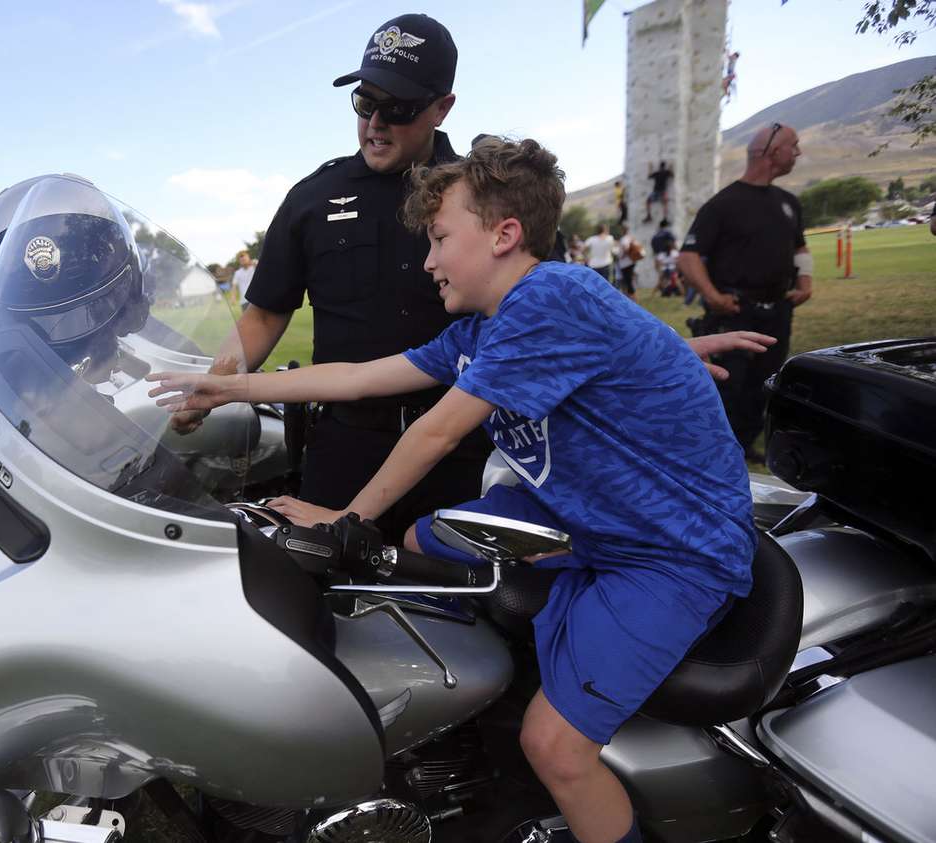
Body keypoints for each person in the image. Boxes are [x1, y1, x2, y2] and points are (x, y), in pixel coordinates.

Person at [149, 136, 764, 843]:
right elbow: (360, 376)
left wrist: (345, 519)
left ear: (505, 235)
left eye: (440, 238)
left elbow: (436, 433)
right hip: (581, 509)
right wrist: (229, 385)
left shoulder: (549, 297)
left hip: (669, 549)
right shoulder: (481, 328)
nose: (430, 258)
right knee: (418, 539)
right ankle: (455, 721)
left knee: (556, 749)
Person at [170, 13, 489, 542]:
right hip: (343, 448)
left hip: (459, 449)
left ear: (442, 107)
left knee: (454, 610)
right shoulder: (314, 197)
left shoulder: (482, 193)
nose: (376, 123)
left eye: (399, 108)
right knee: (320, 601)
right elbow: (268, 310)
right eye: (366, 103)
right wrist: (213, 384)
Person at [677, 122, 812, 462]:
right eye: (792, 145)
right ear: (770, 151)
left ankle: (746, 443)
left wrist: (805, 282)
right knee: (727, 383)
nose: (797, 153)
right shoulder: (724, 204)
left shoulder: (788, 203)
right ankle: (714, 448)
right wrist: (712, 295)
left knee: (766, 380)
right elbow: (689, 255)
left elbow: (800, 248)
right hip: (737, 311)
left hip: (777, 309)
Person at [643, 161, 673, 225]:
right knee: (665, 204)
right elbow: (672, 175)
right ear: (664, 166)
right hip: (662, 191)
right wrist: (671, 167)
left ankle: (649, 216)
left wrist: (650, 168)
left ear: (660, 167)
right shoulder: (666, 172)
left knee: (648, 201)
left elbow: (649, 176)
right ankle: (665, 219)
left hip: (656, 191)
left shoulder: (657, 173)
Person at [616, 229, 642, 301]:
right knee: (629, 280)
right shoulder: (631, 238)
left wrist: (622, 256)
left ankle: (632, 298)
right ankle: (630, 297)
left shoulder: (624, 239)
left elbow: (625, 248)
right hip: (631, 262)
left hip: (625, 263)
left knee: (627, 281)